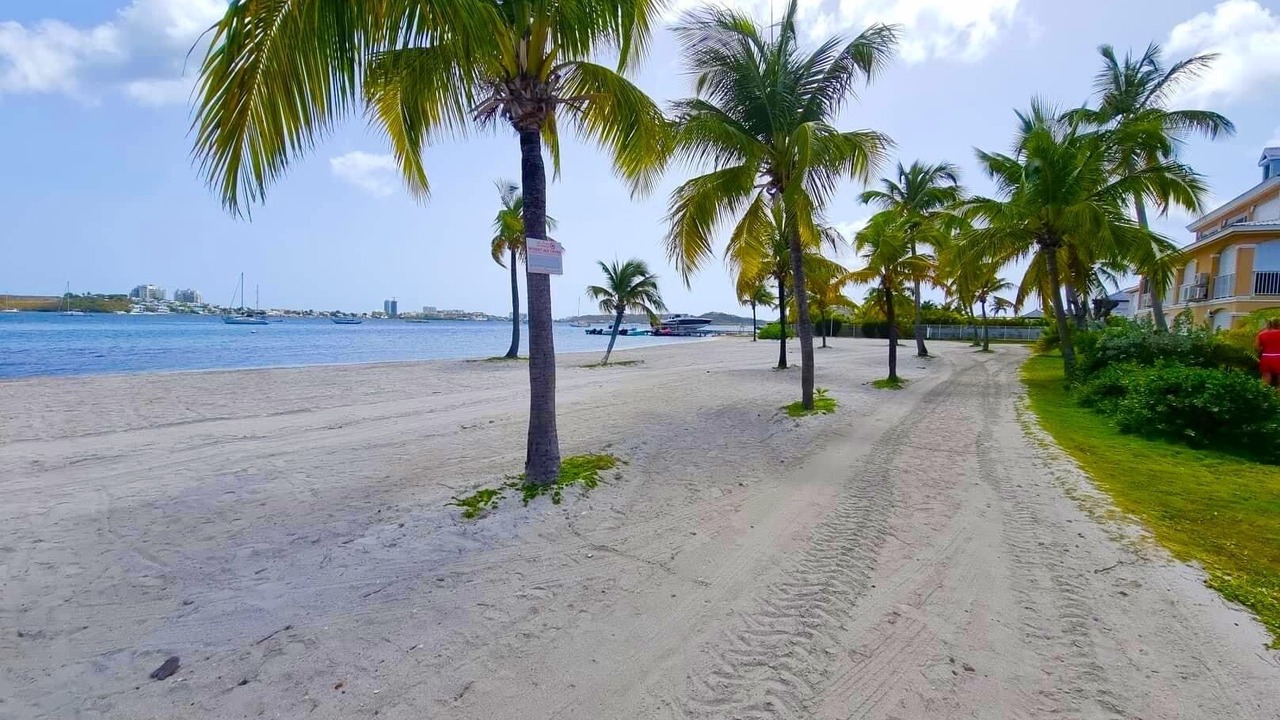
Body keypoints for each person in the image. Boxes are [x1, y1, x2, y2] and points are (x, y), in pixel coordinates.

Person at [1258, 317, 1280, 390]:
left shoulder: (1261, 334)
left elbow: (1256, 348)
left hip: (1266, 358)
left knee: (1265, 380)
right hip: (1278, 357)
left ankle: (1262, 398)